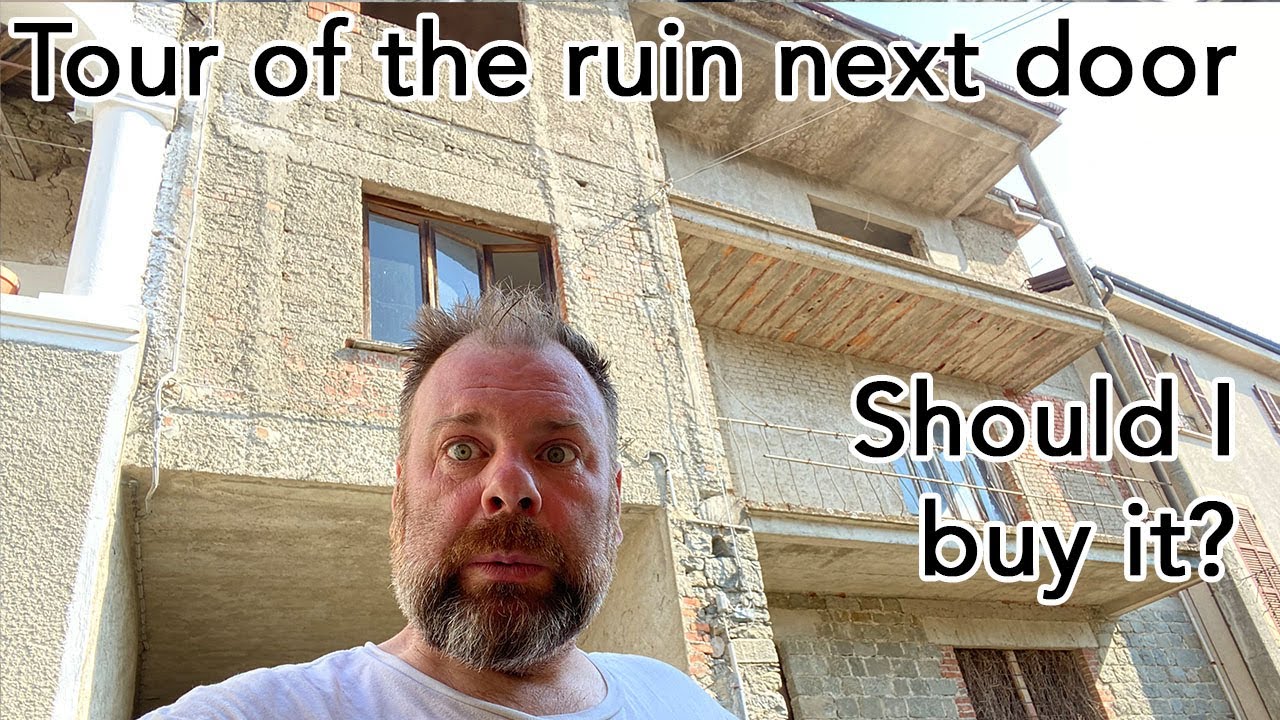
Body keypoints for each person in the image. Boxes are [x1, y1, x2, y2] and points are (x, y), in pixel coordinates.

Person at [142, 289, 736, 719]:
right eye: (461, 449)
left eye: (558, 454)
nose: (509, 489)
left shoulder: (681, 700)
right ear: (400, 498)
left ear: (614, 506)